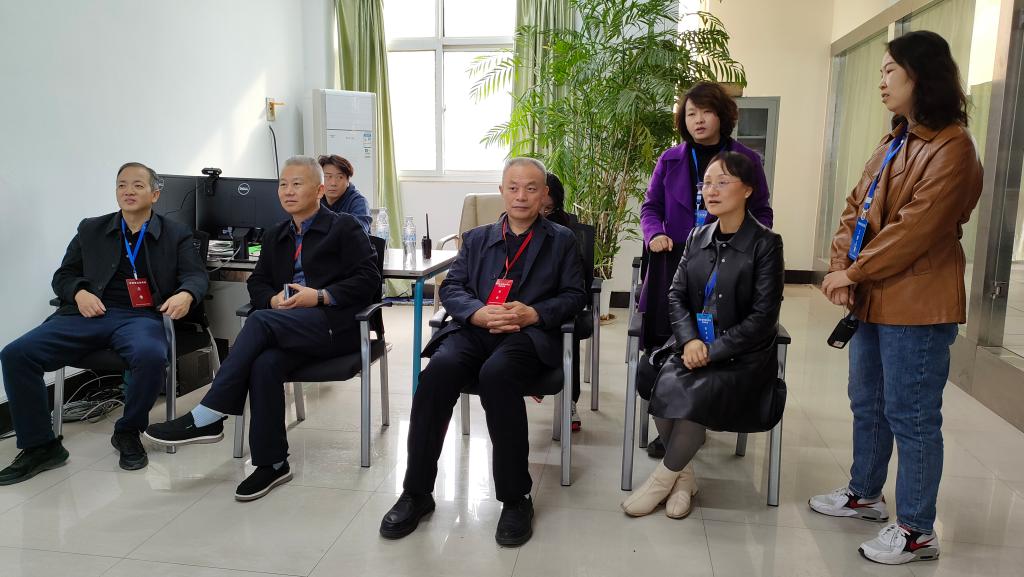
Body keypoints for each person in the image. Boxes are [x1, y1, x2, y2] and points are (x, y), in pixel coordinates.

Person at [808, 31, 983, 566]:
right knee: (868, 402)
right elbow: (855, 208)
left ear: (920, 76)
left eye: (890, 71)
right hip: (874, 295)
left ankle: (917, 529)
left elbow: (915, 230)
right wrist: (841, 268)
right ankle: (864, 493)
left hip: (918, 303)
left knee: (912, 414)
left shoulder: (953, 147)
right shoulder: (896, 140)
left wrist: (854, 270)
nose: (881, 82)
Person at [144, 155, 380, 502]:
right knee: (264, 363)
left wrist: (319, 296)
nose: (288, 191)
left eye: (297, 184)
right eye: (283, 184)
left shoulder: (344, 227)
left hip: (335, 328)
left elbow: (370, 280)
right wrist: (271, 300)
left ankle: (209, 415)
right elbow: (258, 282)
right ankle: (272, 464)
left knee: (258, 322)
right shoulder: (276, 234)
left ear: (318, 190)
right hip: (288, 327)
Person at [379, 157, 586, 547]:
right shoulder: (476, 238)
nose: (521, 196)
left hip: (526, 335)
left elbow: (575, 296)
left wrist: (533, 313)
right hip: (475, 329)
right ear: (501, 191)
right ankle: (417, 492)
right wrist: (476, 312)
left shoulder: (561, 240)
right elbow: (452, 288)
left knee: (497, 376)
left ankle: (515, 497)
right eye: (513, 187)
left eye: (531, 188)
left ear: (545, 194)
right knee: (437, 374)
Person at [0, 162, 208, 482]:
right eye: (121, 185)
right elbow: (64, 275)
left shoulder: (176, 233)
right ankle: (41, 447)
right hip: (88, 313)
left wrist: (186, 294)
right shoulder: (91, 229)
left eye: (137, 185)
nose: (128, 191)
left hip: (141, 317)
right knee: (16, 354)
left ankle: (128, 431)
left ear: (155, 194)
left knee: (151, 356)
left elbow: (196, 275)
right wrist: (79, 292)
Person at [622, 152, 784, 520]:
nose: (711, 191)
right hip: (695, 344)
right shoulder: (697, 236)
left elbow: (763, 319)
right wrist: (691, 341)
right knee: (654, 372)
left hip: (742, 356)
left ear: (748, 189)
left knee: (693, 390)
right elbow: (676, 295)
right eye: (707, 183)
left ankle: (662, 480)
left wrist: (711, 350)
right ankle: (685, 479)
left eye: (722, 182)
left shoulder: (766, 244)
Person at [639, 81, 773, 458]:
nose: (697, 120)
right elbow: (650, 207)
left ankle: (697, 418)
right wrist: (654, 233)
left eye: (706, 112)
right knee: (667, 348)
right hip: (675, 263)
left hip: (725, 270)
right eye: (690, 113)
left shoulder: (746, 160)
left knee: (713, 345)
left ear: (722, 115)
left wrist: (744, 246)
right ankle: (671, 424)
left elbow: (762, 214)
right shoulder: (670, 159)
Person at [541, 172, 584, 431]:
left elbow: (575, 284)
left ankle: (570, 400)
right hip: (524, 301)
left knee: (568, 329)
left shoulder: (565, 231)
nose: (542, 213)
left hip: (558, 298)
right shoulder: (510, 224)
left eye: (549, 208)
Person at [318, 154, 371, 234]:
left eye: (340, 177)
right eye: (328, 177)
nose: (333, 183)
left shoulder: (359, 202)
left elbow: (358, 233)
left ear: (348, 180)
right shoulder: (315, 199)